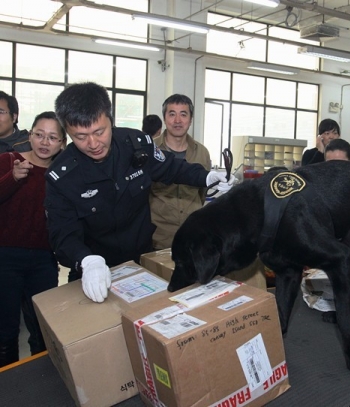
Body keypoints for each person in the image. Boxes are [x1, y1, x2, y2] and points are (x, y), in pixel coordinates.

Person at [44, 82, 232, 303]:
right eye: (80, 136)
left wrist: (206, 177)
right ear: (67, 132)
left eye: (99, 132)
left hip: (140, 264)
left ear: (110, 120)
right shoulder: (62, 176)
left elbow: (171, 168)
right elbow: (62, 233)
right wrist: (86, 260)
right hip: (93, 269)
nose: (93, 143)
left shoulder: (136, 145)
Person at [0, 111, 66, 367]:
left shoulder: (62, 174)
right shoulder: (9, 160)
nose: (44, 142)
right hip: (6, 257)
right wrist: (12, 178)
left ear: (62, 143)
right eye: (39, 134)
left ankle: (42, 383)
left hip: (43, 260)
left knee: (42, 330)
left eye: (52, 137)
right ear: (30, 135)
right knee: (5, 330)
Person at [149, 94, 212, 250]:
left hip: (193, 236)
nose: (177, 120)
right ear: (164, 118)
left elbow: (202, 193)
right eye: (172, 114)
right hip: (158, 238)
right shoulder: (150, 150)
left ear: (190, 119)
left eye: (183, 114)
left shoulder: (202, 153)